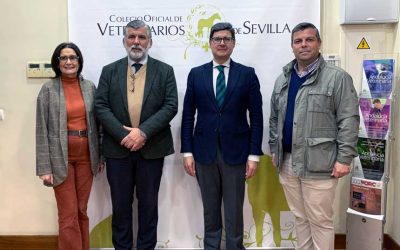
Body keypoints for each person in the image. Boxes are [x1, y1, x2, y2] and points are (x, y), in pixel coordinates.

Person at [268, 22, 359, 250]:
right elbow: (274, 119)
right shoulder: (283, 79)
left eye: (309, 40)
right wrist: (273, 149)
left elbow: (348, 120)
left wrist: (344, 158)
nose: (304, 45)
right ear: (292, 47)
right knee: (300, 218)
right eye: (298, 41)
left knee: (320, 221)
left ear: (319, 43)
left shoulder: (337, 78)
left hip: (321, 163)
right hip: (288, 162)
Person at [95, 20, 178, 250]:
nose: (136, 42)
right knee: (120, 208)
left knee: (149, 207)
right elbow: (101, 106)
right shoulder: (109, 71)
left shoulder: (165, 71)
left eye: (141, 37)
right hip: (117, 150)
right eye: (131, 37)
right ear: (124, 41)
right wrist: (125, 136)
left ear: (149, 42)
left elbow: (171, 106)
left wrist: (142, 132)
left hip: (151, 149)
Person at [181, 22, 263, 250]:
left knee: (234, 209)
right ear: (210, 43)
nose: (222, 43)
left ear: (234, 44)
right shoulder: (196, 75)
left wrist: (254, 155)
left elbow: (256, 118)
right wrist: (187, 152)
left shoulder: (247, 75)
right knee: (210, 208)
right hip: (203, 152)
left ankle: (235, 247)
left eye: (227, 39)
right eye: (217, 39)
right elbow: (188, 116)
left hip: (236, 153)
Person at [36, 42, 103, 250]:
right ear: (57, 63)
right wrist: (44, 167)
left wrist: (99, 157)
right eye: (63, 58)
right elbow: (41, 129)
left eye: (72, 57)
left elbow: (99, 125)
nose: (68, 62)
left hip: (87, 158)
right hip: (59, 159)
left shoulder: (89, 87)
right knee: (68, 213)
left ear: (79, 61)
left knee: (81, 210)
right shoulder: (48, 89)